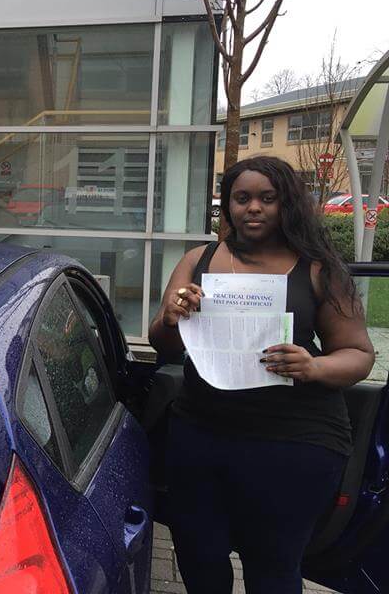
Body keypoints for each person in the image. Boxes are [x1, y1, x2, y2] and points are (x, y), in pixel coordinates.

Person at [149, 156, 374, 594]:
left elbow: (359, 354)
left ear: (286, 204)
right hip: (202, 435)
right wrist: (173, 317)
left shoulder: (317, 268)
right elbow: (163, 343)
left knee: (272, 566)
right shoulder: (199, 260)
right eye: (242, 198)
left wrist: (314, 365)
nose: (253, 208)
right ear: (228, 206)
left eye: (267, 199)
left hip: (294, 444)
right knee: (199, 557)